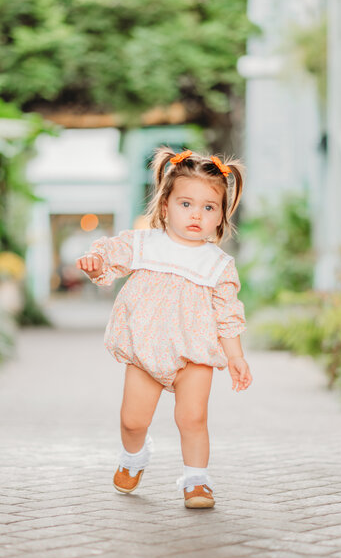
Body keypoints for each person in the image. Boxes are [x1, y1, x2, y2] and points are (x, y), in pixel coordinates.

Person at [75, 146, 252, 509]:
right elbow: (109, 255)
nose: (196, 215)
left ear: (221, 216)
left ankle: (196, 480)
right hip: (147, 349)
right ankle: (134, 455)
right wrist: (95, 264)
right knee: (132, 420)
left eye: (208, 207)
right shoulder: (144, 245)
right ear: (165, 205)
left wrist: (235, 356)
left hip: (195, 352)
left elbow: (227, 313)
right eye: (186, 204)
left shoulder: (217, 264)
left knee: (193, 417)